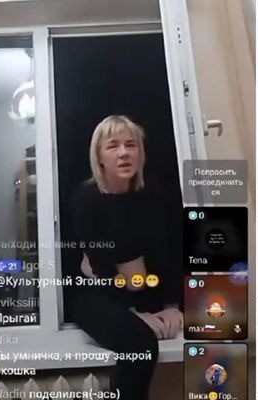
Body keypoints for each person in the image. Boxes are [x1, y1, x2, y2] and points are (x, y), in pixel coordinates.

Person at [71, 115, 182, 400]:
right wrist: (132, 313)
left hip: (144, 291)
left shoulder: (153, 195)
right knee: (140, 346)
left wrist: (172, 305)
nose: (124, 153)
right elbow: (100, 265)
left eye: (131, 145)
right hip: (98, 295)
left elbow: (169, 252)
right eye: (113, 146)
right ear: (99, 157)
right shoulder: (87, 199)